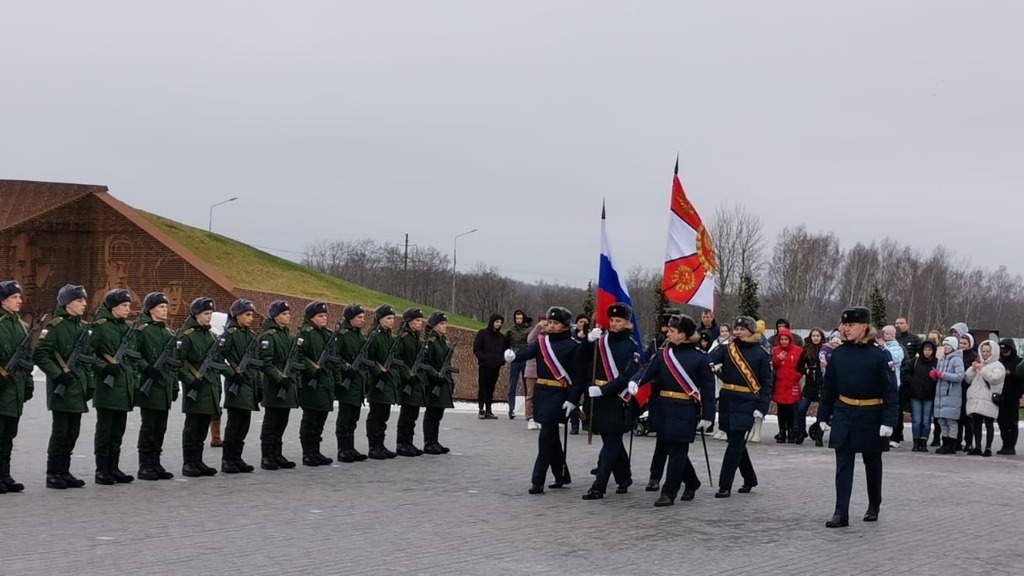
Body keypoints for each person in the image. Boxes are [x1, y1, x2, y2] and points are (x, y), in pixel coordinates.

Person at [816, 306, 899, 528]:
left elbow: (891, 390)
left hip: (871, 414)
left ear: (865, 327)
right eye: (845, 325)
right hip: (845, 412)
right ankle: (840, 512)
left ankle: (874, 505)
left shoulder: (879, 355)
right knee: (843, 464)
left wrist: (889, 421)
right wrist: (822, 416)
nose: (846, 329)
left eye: (851, 325)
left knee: (872, 462)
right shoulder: (839, 353)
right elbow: (829, 388)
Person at [629, 313, 714, 506]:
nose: (668, 333)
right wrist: (635, 381)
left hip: (685, 409)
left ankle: (669, 492)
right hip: (663, 408)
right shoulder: (663, 354)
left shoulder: (700, 358)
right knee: (673, 450)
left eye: (673, 330)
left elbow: (708, 389)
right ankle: (692, 481)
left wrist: (708, 415)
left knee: (677, 451)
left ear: (683, 335)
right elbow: (647, 371)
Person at [504, 306, 584, 494]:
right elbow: (527, 351)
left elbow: (579, 377)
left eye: (556, 323)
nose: (551, 326)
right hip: (542, 392)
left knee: (546, 437)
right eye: (550, 322)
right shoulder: (542, 343)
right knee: (552, 438)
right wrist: (514, 356)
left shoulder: (573, 346)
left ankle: (537, 480)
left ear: (564, 326)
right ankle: (562, 475)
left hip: (559, 395)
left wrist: (573, 400)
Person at [33, 284, 93, 489]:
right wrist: (58, 375)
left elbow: (87, 361)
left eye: (84, 300)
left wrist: (90, 385)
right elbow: (39, 354)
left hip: (77, 388)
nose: (84, 304)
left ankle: (65, 471)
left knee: (72, 433)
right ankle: (53, 473)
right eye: (79, 300)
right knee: (60, 432)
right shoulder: (55, 326)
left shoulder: (83, 327)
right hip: (62, 388)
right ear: (67, 303)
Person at [707, 316, 773, 497]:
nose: (737, 332)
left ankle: (724, 485)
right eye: (736, 329)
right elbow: (708, 360)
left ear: (751, 331)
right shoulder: (728, 349)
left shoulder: (761, 353)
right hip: (728, 399)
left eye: (742, 329)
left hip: (747, 400)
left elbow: (767, 383)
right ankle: (750, 478)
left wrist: (762, 407)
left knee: (735, 442)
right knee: (736, 443)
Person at [580, 303, 640, 500]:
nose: (614, 324)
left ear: (627, 323)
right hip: (599, 398)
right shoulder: (601, 341)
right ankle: (624, 476)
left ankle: (599, 486)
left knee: (611, 442)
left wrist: (603, 390)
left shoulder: (632, 345)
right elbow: (579, 360)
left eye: (618, 321)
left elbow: (626, 375)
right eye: (612, 320)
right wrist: (589, 341)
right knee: (610, 440)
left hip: (617, 398)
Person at [91, 288, 141, 486]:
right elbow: (88, 354)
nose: (127, 309)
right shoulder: (100, 327)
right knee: (105, 431)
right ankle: (102, 469)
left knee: (118, 432)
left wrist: (134, 384)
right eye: (123, 305)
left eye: (129, 305)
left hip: (124, 387)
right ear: (113, 307)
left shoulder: (127, 328)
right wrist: (104, 367)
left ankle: (114, 467)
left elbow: (134, 358)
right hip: (107, 387)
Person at [134, 292, 179, 481]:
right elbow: (135, 355)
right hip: (149, 386)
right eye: (161, 307)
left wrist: (174, 385)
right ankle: (145, 465)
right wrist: (147, 368)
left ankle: (156, 462)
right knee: (149, 427)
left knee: (160, 427)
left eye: (166, 306)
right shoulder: (142, 330)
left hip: (164, 386)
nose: (165, 310)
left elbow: (174, 362)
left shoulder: (168, 332)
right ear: (151, 309)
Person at [177, 297, 222, 477]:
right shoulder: (186, 336)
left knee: (203, 426)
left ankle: (198, 460)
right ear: (196, 315)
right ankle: (189, 462)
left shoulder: (211, 336)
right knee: (192, 427)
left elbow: (217, 362)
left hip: (209, 387)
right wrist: (190, 380)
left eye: (210, 313)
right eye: (205, 314)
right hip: (195, 388)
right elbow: (178, 363)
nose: (209, 317)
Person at [218, 299, 263, 474]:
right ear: (237, 316)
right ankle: (228, 460)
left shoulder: (251, 335)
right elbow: (217, 358)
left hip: (249, 384)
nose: (251, 318)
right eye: (247, 315)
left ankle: (237, 457)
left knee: (244, 424)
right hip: (237, 385)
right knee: (234, 424)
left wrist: (258, 388)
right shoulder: (230, 334)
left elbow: (257, 364)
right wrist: (232, 374)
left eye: (252, 315)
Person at [256, 300, 299, 470]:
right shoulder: (269, 336)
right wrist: (278, 378)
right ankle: (267, 456)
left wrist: (290, 379)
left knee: (282, 421)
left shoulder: (289, 336)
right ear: (275, 316)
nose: (288, 317)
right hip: (274, 385)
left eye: (288, 314)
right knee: (271, 422)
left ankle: (277, 453)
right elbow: (265, 363)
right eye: (284, 314)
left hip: (286, 383)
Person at [0, 281, 33, 493]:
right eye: (14, 297)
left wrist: (28, 384)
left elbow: (27, 358)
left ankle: (5, 475)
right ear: (3, 300)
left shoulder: (22, 326)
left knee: (9, 435)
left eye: (19, 297)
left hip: (15, 388)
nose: (19, 301)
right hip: (2, 386)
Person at [296, 301, 336, 467]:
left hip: (325, 383)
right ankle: (308, 453)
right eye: (320, 316)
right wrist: (313, 370)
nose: (324, 318)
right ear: (311, 318)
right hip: (311, 384)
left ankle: (316, 451)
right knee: (311, 420)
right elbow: (298, 356)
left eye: (325, 316)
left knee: (320, 419)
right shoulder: (305, 334)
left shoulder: (327, 335)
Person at [334, 304, 370, 463]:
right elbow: (335, 356)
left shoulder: (361, 337)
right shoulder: (342, 335)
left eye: (363, 317)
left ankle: (350, 447)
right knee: (345, 417)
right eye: (359, 317)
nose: (363, 320)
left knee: (353, 418)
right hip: (346, 382)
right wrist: (346, 368)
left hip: (358, 382)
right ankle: (342, 449)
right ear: (350, 318)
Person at [365, 305, 399, 459]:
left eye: (393, 318)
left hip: (387, 380)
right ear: (380, 319)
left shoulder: (389, 336)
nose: (392, 321)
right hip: (377, 381)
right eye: (388, 318)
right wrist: (379, 372)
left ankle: (380, 444)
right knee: (376, 415)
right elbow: (368, 358)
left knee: (383, 415)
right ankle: (373, 446)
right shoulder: (375, 335)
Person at [395, 308, 428, 457]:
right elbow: (398, 360)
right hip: (407, 382)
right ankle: (402, 444)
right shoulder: (403, 338)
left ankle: (409, 443)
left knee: (413, 415)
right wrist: (407, 375)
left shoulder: (416, 338)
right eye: (417, 321)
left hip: (416, 381)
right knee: (406, 415)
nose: (420, 323)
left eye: (421, 320)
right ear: (409, 322)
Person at [422, 311, 455, 454]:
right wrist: (435, 375)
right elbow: (426, 362)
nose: (444, 326)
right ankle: (429, 442)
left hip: (443, 381)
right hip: (434, 382)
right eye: (441, 324)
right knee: (432, 413)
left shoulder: (443, 341)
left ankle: (434, 441)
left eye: (445, 323)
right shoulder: (430, 342)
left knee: (438, 414)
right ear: (434, 325)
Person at [964, 340, 1005, 457]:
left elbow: (994, 378)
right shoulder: (979, 362)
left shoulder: (998, 366)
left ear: (994, 352)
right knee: (976, 423)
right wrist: (973, 369)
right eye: (983, 351)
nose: (985, 354)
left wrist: (982, 369)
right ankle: (977, 446)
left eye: (988, 351)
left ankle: (988, 448)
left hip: (989, 399)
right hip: (976, 398)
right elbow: (967, 379)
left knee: (989, 423)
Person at [932, 337, 966, 454]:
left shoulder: (957, 360)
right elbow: (939, 376)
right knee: (942, 420)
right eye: (945, 345)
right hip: (940, 395)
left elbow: (959, 376)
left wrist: (943, 375)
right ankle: (945, 443)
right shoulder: (942, 359)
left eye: (948, 345)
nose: (946, 347)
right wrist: (935, 375)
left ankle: (951, 444)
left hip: (952, 395)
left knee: (951, 421)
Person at [904, 341, 938, 452]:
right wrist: (912, 383)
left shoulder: (936, 362)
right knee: (917, 420)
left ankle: (924, 442)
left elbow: (938, 377)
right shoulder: (915, 361)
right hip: (915, 394)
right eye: (925, 350)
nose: (927, 352)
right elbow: (906, 372)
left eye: (930, 350)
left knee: (926, 420)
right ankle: (916, 442)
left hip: (929, 395)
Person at [794, 328, 826, 445]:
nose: (816, 338)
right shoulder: (806, 350)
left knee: (822, 412)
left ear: (821, 337)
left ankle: (819, 436)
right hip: (810, 383)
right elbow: (798, 367)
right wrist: (806, 371)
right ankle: (801, 432)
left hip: (822, 383)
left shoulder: (826, 349)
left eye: (818, 336)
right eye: (814, 336)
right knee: (801, 408)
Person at [771, 327, 802, 443]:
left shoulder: (798, 351)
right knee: (781, 410)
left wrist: (796, 377)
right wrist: (778, 360)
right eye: (782, 339)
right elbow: (772, 367)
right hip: (780, 384)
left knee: (791, 410)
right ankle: (782, 431)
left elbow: (801, 367)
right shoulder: (775, 351)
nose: (784, 341)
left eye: (786, 339)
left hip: (792, 383)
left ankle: (791, 431)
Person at [473, 313, 506, 419]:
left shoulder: (502, 337)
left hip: (495, 367)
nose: (498, 324)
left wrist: (501, 361)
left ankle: (489, 409)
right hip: (484, 366)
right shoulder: (482, 333)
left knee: (491, 388)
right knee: (483, 387)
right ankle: (481, 408)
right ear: (492, 322)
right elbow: (477, 348)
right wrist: (484, 358)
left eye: (500, 322)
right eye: (497, 322)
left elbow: (505, 351)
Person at [879, 326, 905, 447]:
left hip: (893, 382)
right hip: (880, 382)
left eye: (886, 334)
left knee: (894, 409)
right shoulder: (879, 346)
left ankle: (896, 436)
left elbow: (896, 359)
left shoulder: (897, 347)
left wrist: (884, 347)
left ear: (891, 335)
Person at [506, 310, 533, 419]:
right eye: (517, 318)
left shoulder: (529, 329)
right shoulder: (511, 330)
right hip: (514, 357)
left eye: (520, 318)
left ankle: (528, 410)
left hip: (525, 357)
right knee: (512, 384)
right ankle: (511, 409)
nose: (518, 321)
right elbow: (506, 342)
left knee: (527, 385)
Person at [997, 339, 1021, 455]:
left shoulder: (1019, 362)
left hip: (1013, 395)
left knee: (1011, 421)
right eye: (1002, 350)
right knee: (1001, 421)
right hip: (1001, 395)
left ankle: (1011, 446)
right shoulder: (1000, 361)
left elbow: (1021, 377)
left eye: (1006, 350)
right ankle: (1005, 443)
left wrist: (1010, 374)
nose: (1004, 353)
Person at [523, 313, 546, 430]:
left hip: (544, 371)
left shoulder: (548, 336)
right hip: (532, 370)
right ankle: (530, 417)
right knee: (531, 395)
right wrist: (538, 327)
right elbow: (529, 339)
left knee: (541, 396)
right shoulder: (536, 335)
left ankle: (539, 417)